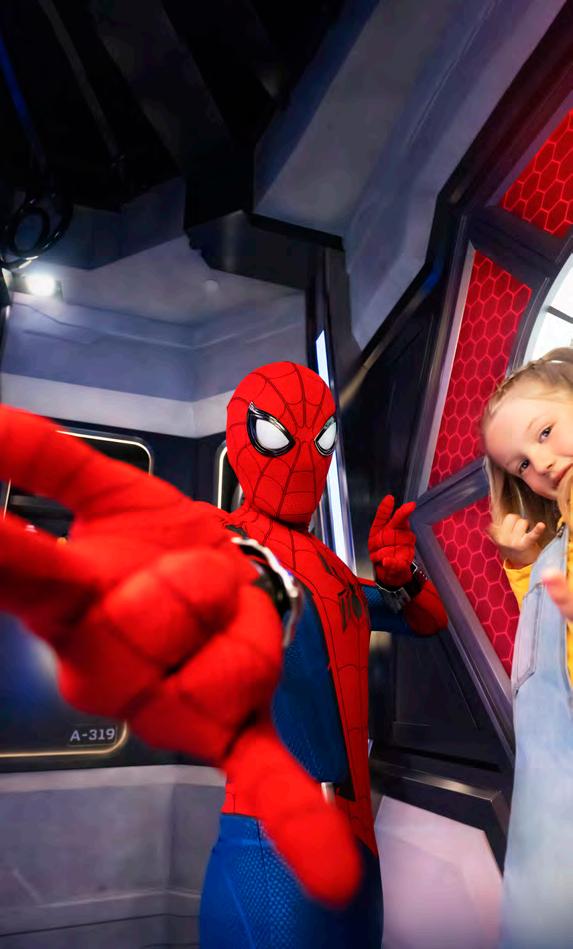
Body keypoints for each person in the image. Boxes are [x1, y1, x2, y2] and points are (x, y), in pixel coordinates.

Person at [0, 361, 447, 948]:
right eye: (277, 436)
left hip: (356, 833)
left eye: (320, 439)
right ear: (243, 442)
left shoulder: (334, 573)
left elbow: (425, 620)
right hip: (269, 832)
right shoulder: (224, 538)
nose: (303, 459)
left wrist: (402, 574)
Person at [481, 346, 573, 949]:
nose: (540, 463)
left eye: (545, 432)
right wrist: (525, 566)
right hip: (547, 828)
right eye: (521, 465)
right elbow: (546, 653)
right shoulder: (557, 546)